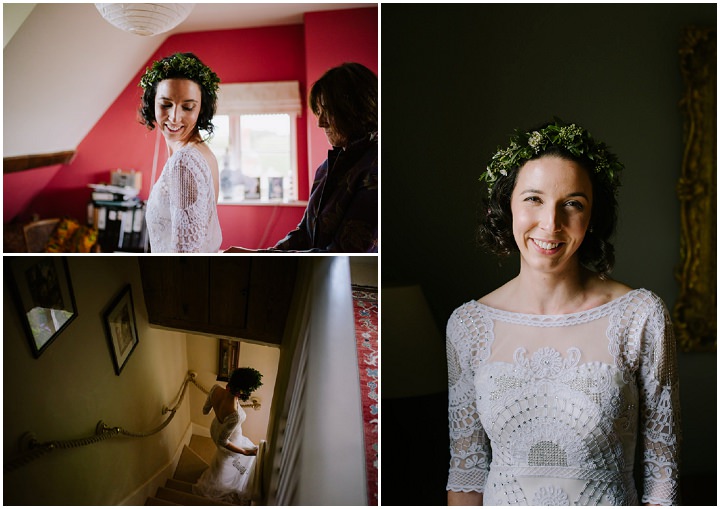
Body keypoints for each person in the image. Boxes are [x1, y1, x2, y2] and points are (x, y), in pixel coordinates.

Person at [446, 120, 681, 505]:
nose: (551, 223)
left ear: (592, 218)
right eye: (533, 199)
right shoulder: (468, 325)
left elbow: (662, 479)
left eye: (572, 203)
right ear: (508, 205)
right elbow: (466, 473)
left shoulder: (640, 316)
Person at [225, 62, 378, 253]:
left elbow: (345, 254)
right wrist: (261, 254)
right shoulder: (326, 168)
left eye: (326, 111)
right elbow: (305, 233)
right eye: (319, 113)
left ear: (354, 107)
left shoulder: (375, 168)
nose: (321, 123)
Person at [139, 52, 222, 252]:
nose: (174, 117)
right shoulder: (203, 153)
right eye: (166, 104)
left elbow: (186, 255)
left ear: (201, 109)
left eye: (187, 107)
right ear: (152, 104)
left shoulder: (184, 161)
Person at [193, 367, 263, 504]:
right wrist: (244, 452)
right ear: (244, 390)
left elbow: (205, 411)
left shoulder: (215, 389)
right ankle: (221, 484)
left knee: (222, 459)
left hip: (214, 428)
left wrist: (218, 408)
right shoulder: (234, 415)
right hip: (228, 440)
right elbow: (222, 441)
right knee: (229, 461)